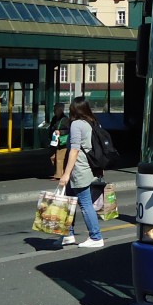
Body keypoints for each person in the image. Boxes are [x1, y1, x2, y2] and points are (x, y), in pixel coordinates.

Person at [57, 95, 104, 248]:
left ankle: (96, 237)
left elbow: (74, 150)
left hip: (79, 169)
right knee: (69, 201)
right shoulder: (92, 123)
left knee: (84, 204)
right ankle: (68, 234)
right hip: (89, 168)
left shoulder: (77, 124)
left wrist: (65, 173)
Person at [46, 102, 70, 181]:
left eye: (55, 109)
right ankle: (59, 172)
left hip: (61, 141)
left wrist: (60, 132)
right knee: (53, 157)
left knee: (59, 158)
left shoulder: (65, 119)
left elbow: (68, 130)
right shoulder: (54, 118)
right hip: (54, 141)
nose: (54, 111)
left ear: (60, 110)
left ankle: (59, 175)